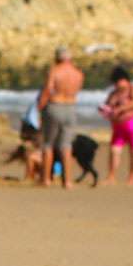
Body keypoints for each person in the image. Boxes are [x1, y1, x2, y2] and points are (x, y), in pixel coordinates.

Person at [35, 45, 84, 189]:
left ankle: (46, 179)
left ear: (57, 58)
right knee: (66, 145)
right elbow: (77, 90)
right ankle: (67, 181)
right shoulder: (78, 73)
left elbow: (48, 90)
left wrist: (39, 107)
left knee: (48, 144)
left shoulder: (54, 71)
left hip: (55, 106)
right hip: (71, 107)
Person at [99, 66, 133, 186]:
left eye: (118, 82)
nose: (117, 85)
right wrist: (106, 110)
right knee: (114, 150)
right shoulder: (114, 93)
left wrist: (121, 108)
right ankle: (111, 176)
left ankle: (131, 178)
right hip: (118, 126)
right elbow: (108, 104)